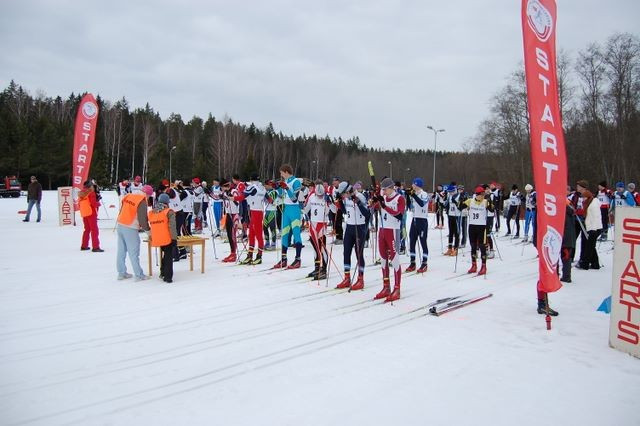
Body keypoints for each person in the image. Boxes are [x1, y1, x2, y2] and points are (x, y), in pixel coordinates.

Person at [373, 177, 406, 302]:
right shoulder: (383, 197)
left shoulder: (399, 198)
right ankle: (386, 287)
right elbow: (374, 207)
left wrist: (384, 206)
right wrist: (376, 201)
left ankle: (397, 288)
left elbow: (399, 215)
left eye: (385, 189)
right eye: (382, 190)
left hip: (393, 231)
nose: (383, 192)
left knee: (395, 260)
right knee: (383, 259)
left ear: (391, 188)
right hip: (382, 230)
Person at [334, 181, 370, 290]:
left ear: (348, 191)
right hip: (349, 228)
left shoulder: (360, 196)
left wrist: (358, 203)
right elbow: (346, 211)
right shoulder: (346, 198)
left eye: (343, 194)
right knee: (346, 253)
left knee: (359, 254)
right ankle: (347, 278)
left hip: (359, 228)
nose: (343, 196)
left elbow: (367, 214)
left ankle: (360, 279)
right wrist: (339, 202)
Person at [116, 184, 152, 281]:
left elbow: (122, 207)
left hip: (120, 224)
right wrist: (149, 232)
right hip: (130, 227)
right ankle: (139, 275)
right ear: (147, 194)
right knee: (134, 252)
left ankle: (121, 273)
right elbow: (142, 219)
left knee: (121, 250)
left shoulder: (129, 195)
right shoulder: (142, 201)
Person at [303, 180, 335, 280]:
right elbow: (306, 209)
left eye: (321, 195)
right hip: (313, 224)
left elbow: (334, 210)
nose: (320, 197)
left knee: (322, 247)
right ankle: (317, 267)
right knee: (314, 247)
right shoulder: (312, 196)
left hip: (322, 224)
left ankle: (324, 269)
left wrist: (330, 202)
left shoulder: (326, 197)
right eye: (318, 195)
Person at [273, 164, 304, 269]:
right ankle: (284, 259)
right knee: (284, 234)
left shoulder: (296, 182)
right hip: (286, 210)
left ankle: (298, 259)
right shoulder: (285, 182)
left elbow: (294, 198)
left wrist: (286, 188)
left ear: (286, 172)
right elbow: (282, 195)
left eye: (281, 172)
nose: (281, 174)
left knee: (296, 235)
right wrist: (277, 188)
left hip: (294, 210)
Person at [462, 186, 493, 275]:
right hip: (472, 226)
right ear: (477, 194)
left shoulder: (485, 201)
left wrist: (490, 203)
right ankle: (474, 265)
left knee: (482, 246)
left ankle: (483, 266)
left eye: (484, 194)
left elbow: (492, 209)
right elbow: (460, 207)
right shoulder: (470, 201)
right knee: (473, 246)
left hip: (482, 227)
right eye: (481, 194)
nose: (483, 196)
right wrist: (461, 200)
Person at [149, 193, 177, 283]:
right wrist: (174, 239)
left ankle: (163, 272)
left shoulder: (152, 212)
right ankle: (168, 277)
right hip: (167, 237)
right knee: (169, 256)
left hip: (157, 238)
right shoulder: (169, 212)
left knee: (165, 255)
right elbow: (172, 226)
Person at [240, 173, 267, 265]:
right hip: (255, 212)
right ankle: (250, 254)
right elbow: (269, 198)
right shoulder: (262, 187)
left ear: (252, 179)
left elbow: (242, 197)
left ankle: (259, 256)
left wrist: (231, 198)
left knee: (258, 234)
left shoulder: (253, 187)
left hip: (256, 212)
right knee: (251, 233)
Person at [576, 180, 602, 270]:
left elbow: (596, 217)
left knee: (589, 247)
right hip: (589, 227)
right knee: (591, 246)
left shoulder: (593, 204)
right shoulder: (588, 203)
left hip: (594, 228)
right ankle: (595, 264)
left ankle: (585, 264)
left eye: (584, 198)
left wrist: (593, 230)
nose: (582, 200)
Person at [406, 178, 430, 273]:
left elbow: (421, 204)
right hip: (414, 220)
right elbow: (409, 206)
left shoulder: (424, 194)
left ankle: (424, 263)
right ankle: (412, 263)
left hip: (422, 220)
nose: (412, 186)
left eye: (413, 184)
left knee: (423, 242)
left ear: (417, 185)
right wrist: (408, 196)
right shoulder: (414, 194)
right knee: (412, 241)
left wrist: (413, 195)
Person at [78, 180, 102, 252]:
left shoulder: (81, 193)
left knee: (87, 229)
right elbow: (93, 203)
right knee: (94, 230)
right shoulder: (91, 193)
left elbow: (79, 204)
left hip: (84, 212)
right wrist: (98, 203)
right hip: (91, 212)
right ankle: (96, 247)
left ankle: (84, 245)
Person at [221, 179, 241, 263]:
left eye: (222, 187)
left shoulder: (234, 191)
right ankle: (232, 252)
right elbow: (216, 197)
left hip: (234, 215)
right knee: (229, 235)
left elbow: (237, 201)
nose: (221, 189)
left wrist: (229, 197)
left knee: (233, 235)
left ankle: (234, 254)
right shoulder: (225, 192)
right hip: (228, 215)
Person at [560, 197, 576, 283]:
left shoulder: (565, 212)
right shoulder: (571, 211)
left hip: (566, 238)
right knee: (566, 257)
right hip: (569, 238)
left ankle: (566, 276)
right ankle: (566, 275)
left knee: (565, 257)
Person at [443, 183, 461, 256]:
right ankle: (450, 248)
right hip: (450, 215)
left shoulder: (459, 196)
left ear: (455, 190)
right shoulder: (450, 196)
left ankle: (456, 249)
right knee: (450, 232)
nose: (450, 193)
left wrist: (456, 202)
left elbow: (460, 206)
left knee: (457, 233)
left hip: (457, 216)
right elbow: (446, 204)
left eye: (452, 191)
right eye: (449, 192)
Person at [263, 180, 278, 250]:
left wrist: (265, 196)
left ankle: (273, 243)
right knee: (265, 227)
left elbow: (271, 201)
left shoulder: (274, 192)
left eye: (266, 185)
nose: (265, 187)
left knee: (272, 228)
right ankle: (267, 242)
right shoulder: (267, 192)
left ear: (269, 185)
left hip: (272, 211)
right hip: (266, 211)